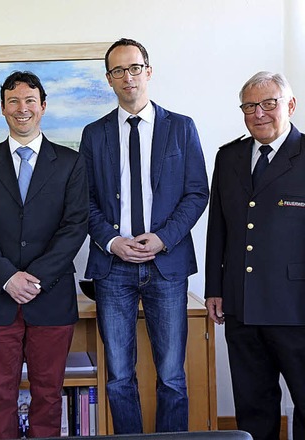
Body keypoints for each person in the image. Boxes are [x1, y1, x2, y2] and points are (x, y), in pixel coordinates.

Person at [80, 38, 208, 433]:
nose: (128, 77)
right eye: (118, 70)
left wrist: (163, 238)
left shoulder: (181, 127)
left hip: (167, 265)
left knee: (171, 375)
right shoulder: (94, 133)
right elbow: (83, 201)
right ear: (109, 79)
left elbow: (197, 192)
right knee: (118, 376)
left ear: (148, 72)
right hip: (112, 268)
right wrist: (112, 241)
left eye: (134, 68)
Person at [0, 71, 88, 439]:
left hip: (50, 297)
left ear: (43, 106)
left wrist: (33, 278)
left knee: (48, 395)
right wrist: (8, 277)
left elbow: (75, 226)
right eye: (14, 101)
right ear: (3, 108)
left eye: (30, 101)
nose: (22, 109)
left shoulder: (69, 162)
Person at [205, 71, 305, 440]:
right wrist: (214, 288)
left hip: (295, 306)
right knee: (253, 405)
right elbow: (219, 228)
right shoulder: (229, 157)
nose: (258, 113)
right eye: (249, 106)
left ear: (289, 106)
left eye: (268, 104)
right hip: (241, 304)